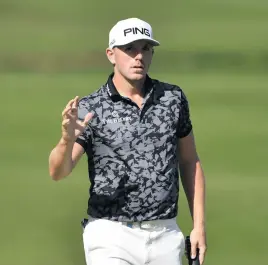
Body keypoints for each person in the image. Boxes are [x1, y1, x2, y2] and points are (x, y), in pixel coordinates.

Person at [49, 17, 207, 265]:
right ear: (111, 54)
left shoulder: (172, 99)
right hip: (110, 234)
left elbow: (189, 161)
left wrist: (198, 226)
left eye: (145, 48)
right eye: (129, 48)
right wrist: (66, 139)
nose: (139, 56)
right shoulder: (92, 108)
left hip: (165, 234)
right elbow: (58, 171)